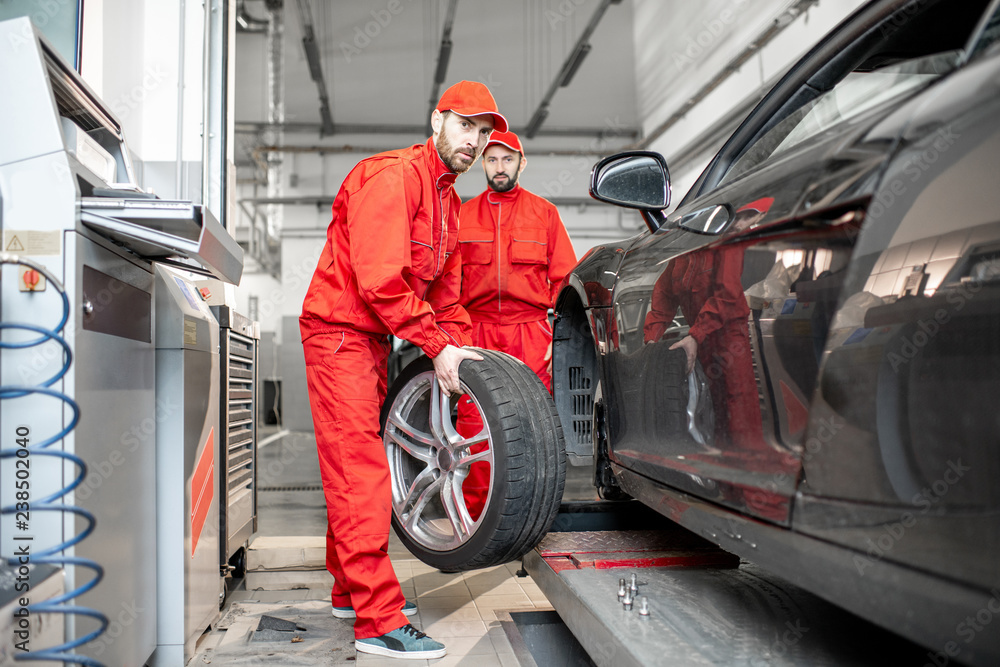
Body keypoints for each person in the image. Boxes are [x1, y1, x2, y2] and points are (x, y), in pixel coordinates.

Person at [298, 81, 506, 660]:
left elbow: (446, 300)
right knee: (360, 472)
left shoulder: (448, 203)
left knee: (353, 465)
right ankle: (377, 621)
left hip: (372, 340)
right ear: (436, 120)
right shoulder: (390, 178)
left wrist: (462, 360)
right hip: (339, 335)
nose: (476, 141)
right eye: (466, 125)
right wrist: (435, 347)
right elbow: (381, 281)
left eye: (485, 132)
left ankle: (348, 590)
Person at [455, 130, 577, 519]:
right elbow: (446, 286)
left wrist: (558, 338)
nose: (499, 167)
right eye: (491, 160)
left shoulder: (544, 214)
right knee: (476, 426)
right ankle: (477, 523)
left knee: (531, 428)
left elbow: (564, 282)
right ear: (482, 164)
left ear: (522, 163)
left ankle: (527, 520)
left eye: (508, 160)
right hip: (477, 332)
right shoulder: (461, 215)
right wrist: (452, 335)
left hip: (530, 333)